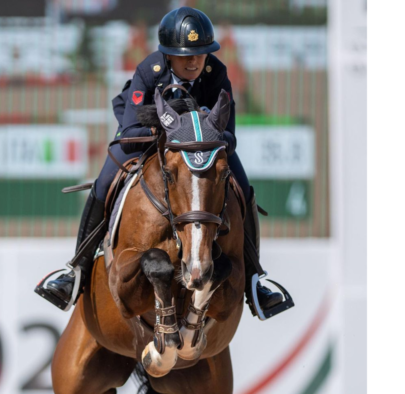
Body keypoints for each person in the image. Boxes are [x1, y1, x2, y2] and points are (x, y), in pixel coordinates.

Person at [35, 7, 293, 320]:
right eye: (185, 55)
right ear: (167, 55)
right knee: (104, 182)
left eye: (201, 53)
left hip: (203, 146)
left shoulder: (216, 73)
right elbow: (130, 133)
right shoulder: (150, 70)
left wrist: (196, 132)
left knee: (243, 187)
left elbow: (229, 136)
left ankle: (255, 280)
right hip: (147, 139)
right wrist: (170, 127)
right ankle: (76, 269)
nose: (194, 61)